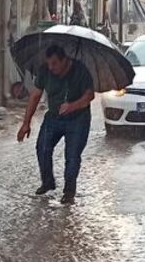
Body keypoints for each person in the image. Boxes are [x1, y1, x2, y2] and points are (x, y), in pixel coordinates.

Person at [17, 45, 95, 205]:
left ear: (64, 60)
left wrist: (72, 106)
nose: (51, 67)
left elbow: (89, 95)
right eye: (49, 63)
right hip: (53, 117)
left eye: (54, 63)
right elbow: (35, 96)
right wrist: (26, 123)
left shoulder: (80, 70)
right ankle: (48, 182)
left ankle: (69, 192)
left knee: (72, 156)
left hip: (78, 119)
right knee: (42, 148)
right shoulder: (45, 70)